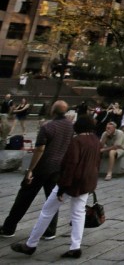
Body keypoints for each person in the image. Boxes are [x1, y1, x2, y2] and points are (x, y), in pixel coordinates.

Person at [11, 114, 100, 259]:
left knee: (47, 211)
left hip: (70, 183)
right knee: (78, 213)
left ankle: (31, 244)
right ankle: (75, 247)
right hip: (86, 182)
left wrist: (62, 187)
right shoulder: (96, 140)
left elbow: (70, 165)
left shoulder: (76, 142)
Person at [1, 100, 74, 239]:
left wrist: (30, 169)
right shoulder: (70, 126)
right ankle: (50, 231)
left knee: (24, 197)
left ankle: (9, 227)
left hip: (43, 167)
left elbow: (40, 149)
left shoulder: (48, 127)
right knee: (52, 199)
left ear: (53, 111)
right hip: (58, 167)